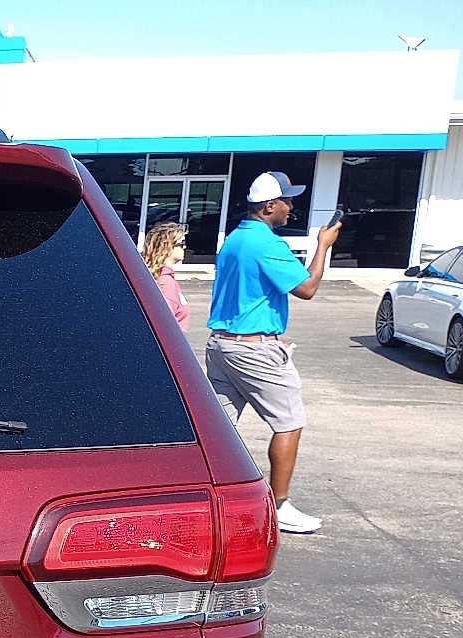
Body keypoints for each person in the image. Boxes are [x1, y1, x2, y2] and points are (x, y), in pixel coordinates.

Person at [206, 171, 341, 534]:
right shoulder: (267, 244)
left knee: (219, 428)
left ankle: (213, 500)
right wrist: (323, 245)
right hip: (255, 349)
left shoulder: (234, 240)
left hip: (221, 345)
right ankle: (279, 504)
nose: (291, 207)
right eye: (286, 200)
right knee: (289, 422)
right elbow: (307, 288)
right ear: (269, 206)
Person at [141, 221, 190, 330]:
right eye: (181, 243)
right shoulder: (165, 281)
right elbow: (166, 322)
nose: (185, 247)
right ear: (167, 246)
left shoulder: (153, 275)